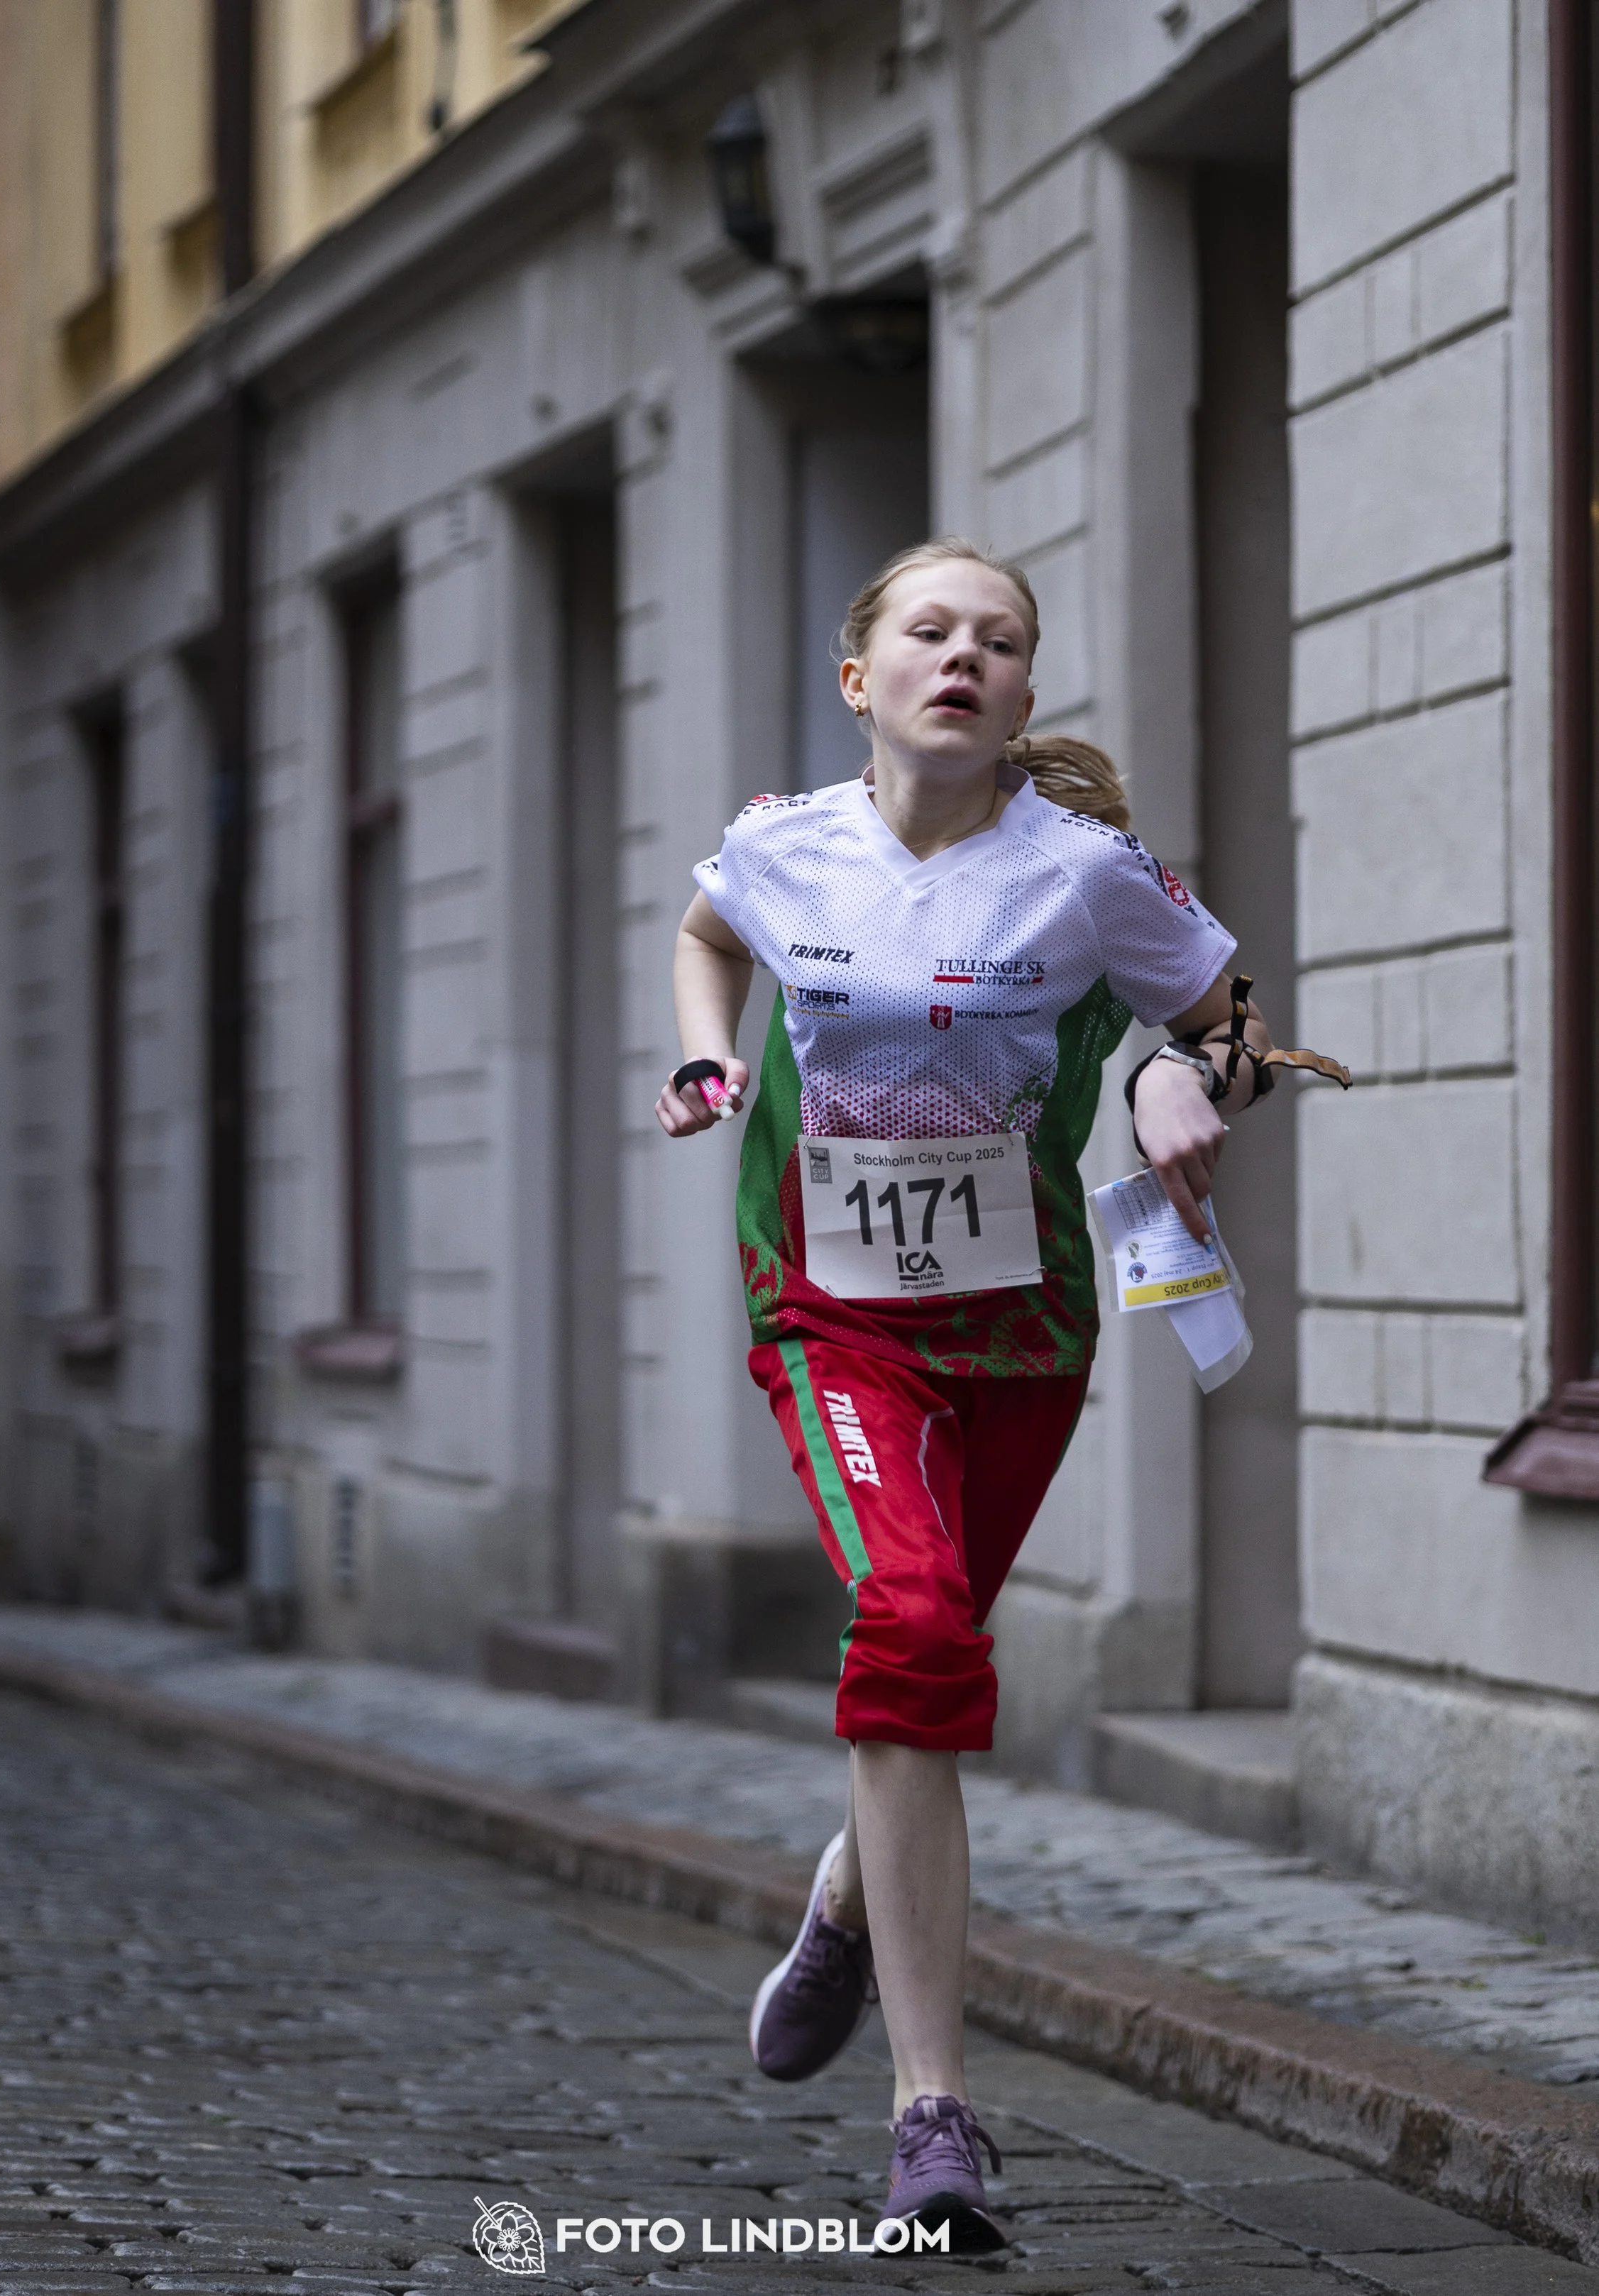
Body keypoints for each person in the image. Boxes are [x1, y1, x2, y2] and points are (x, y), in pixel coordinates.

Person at [654, 537, 1278, 2251]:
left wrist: (1168, 1079)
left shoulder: (1084, 875)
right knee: (916, 1624)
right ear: (861, 677)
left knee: (923, 1659)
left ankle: (849, 1901)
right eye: (927, 631)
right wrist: (709, 1052)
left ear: (1017, 697)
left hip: (1020, 1323)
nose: (964, 656)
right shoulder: (786, 844)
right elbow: (709, 935)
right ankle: (932, 2115)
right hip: (828, 1306)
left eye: (998, 642)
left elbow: (1230, 1025)